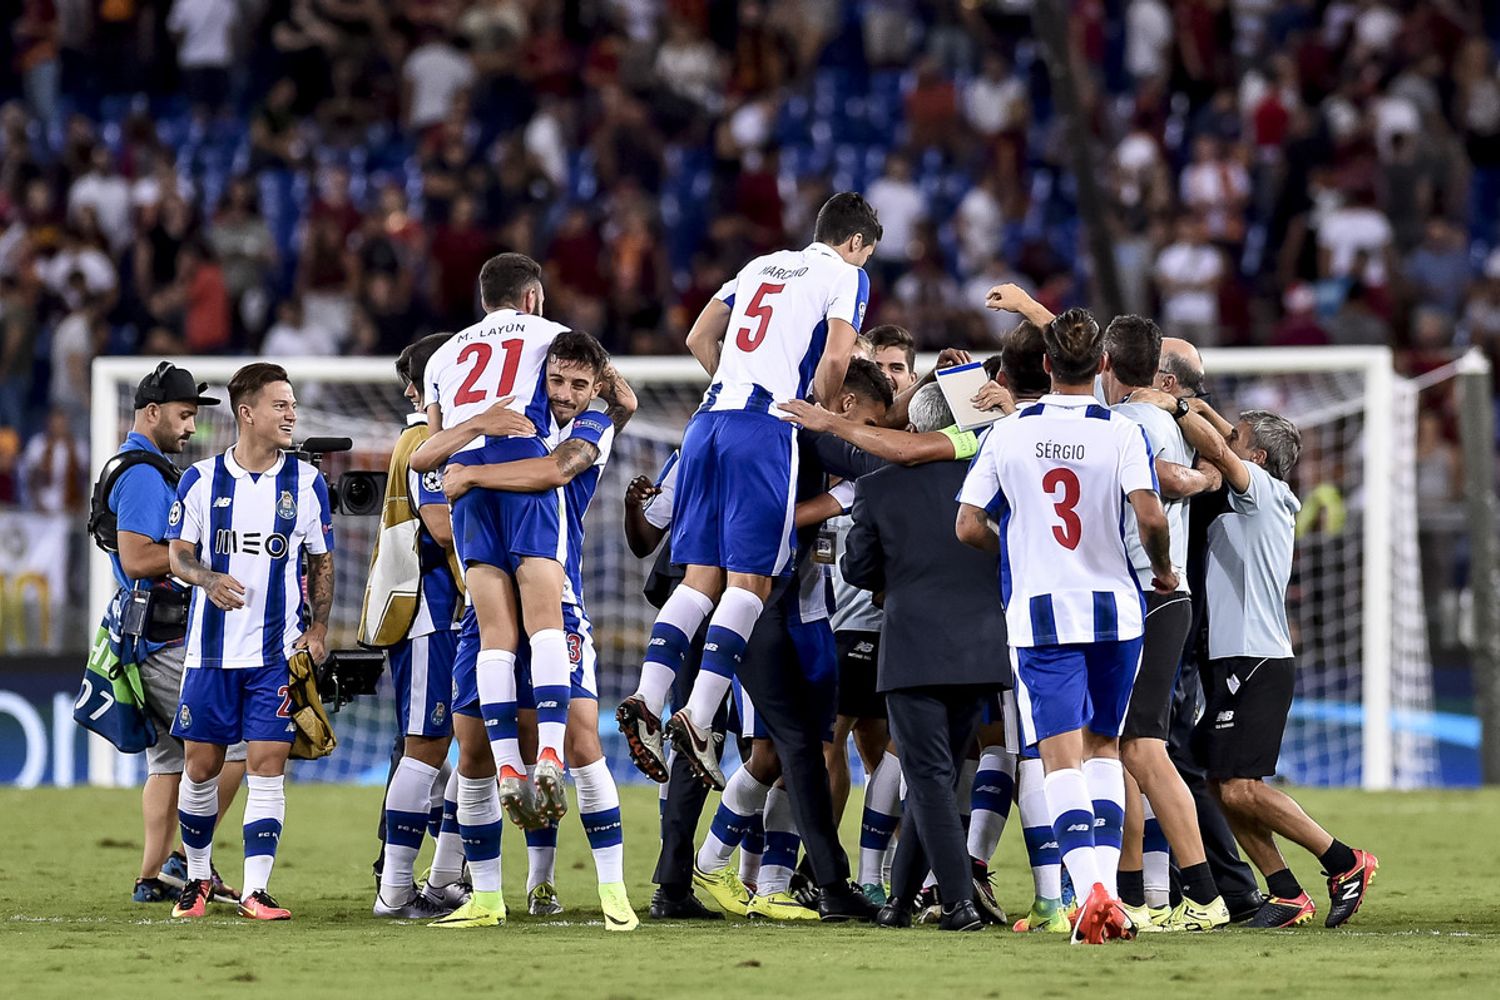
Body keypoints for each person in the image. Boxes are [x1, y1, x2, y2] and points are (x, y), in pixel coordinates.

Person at [617, 191, 878, 795]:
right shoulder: (845, 274)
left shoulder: (760, 265)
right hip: (764, 429)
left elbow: (698, 338)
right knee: (750, 583)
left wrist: (735, 384)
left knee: (699, 578)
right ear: (859, 243)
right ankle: (699, 715)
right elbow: (838, 353)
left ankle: (648, 696)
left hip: (708, 421)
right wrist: (812, 408)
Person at [956, 307, 1176, 945]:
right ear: (1101, 365)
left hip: (1042, 612)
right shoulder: (1120, 433)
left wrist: (1018, 544)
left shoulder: (1011, 433)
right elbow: (1152, 517)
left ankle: (1091, 894)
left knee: (1059, 760)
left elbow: (968, 525)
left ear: (1046, 365)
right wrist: (1161, 569)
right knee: (1105, 750)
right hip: (1116, 611)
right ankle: (1104, 894)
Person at [1129, 391, 1379, 930]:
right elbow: (1226, 439)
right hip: (1236, 658)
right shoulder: (1265, 490)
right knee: (1220, 784)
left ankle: (1344, 860)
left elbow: (1218, 446)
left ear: (1256, 459)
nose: (1224, 442)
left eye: (1237, 440)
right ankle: (1285, 892)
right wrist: (1204, 410)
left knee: (1239, 786)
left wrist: (1172, 408)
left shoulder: (1260, 489)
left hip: (1256, 658)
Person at [422, 333, 641, 931]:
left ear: (594, 386)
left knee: (583, 744)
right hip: (489, 604)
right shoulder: (490, 425)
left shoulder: (587, 428)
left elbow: (557, 468)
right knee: (471, 755)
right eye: (557, 380)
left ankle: (612, 891)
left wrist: (470, 476)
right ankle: (488, 897)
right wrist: (464, 457)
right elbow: (431, 488)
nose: (566, 394)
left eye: (579, 383)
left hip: (558, 600)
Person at [166, 363, 335, 921]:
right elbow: (178, 556)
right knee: (200, 767)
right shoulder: (199, 480)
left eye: (292, 405)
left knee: (267, 765)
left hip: (275, 654)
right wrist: (208, 580)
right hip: (210, 654)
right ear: (247, 413)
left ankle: (256, 889)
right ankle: (195, 879)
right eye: (280, 405)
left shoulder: (307, 483)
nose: (291, 415)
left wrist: (318, 630)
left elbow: (322, 561)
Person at [841, 384, 1010, 932]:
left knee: (929, 775)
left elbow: (857, 569)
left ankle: (959, 902)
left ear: (911, 430)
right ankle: (899, 901)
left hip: (913, 648)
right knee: (934, 774)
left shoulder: (877, 487)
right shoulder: (990, 478)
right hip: (981, 649)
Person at [420, 252, 573, 829]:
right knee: (545, 620)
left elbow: (427, 457)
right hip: (525, 476)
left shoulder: (442, 356)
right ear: (532, 297)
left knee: (495, 635)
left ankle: (508, 767)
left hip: (467, 493)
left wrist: (475, 423)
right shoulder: (553, 335)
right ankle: (550, 756)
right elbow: (604, 390)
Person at [98, 363, 244, 904]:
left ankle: (151, 876)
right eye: (184, 416)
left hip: (144, 633)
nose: (192, 428)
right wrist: (207, 557)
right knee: (237, 743)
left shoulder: (137, 465)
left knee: (169, 760)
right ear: (152, 412)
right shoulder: (141, 473)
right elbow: (138, 558)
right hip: (163, 637)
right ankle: (188, 859)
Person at [365, 333, 467, 920]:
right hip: (431, 611)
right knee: (425, 747)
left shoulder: (436, 435)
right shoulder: (426, 441)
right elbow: (444, 527)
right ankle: (395, 890)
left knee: (459, 746)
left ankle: (440, 877)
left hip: (443, 612)